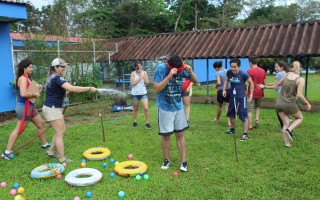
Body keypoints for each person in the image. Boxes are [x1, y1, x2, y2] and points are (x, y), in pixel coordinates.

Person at [42, 58, 97, 163]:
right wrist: (89, 88)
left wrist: (68, 93)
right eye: (62, 66)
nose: (64, 68)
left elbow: (60, 91)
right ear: (55, 67)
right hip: (52, 108)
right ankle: (62, 158)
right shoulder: (57, 78)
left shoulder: (53, 78)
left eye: (64, 66)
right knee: (59, 133)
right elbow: (71, 87)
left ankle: (50, 152)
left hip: (53, 108)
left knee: (60, 131)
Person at [154, 55, 198, 172]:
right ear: (170, 65)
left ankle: (184, 162)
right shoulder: (161, 69)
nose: (179, 71)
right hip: (164, 107)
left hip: (178, 107)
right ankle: (166, 159)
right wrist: (169, 76)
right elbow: (156, 89)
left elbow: (195, 80)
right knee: (166, 135)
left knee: (180, 134)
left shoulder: (182, 68)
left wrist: (190, 71)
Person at [2, 59, 50, 160]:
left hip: (30, 107)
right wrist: (34, 94)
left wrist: (38, 87)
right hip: (24, 107)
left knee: (40, 124)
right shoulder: (23, 79)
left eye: (32, 67)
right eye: (30, 67)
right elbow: (23, 94)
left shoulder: (27, 78)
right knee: (19, 130)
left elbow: (30, 89)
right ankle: (7, 152)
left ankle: (44, 144)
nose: (32, 69)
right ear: (24, 68)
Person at [275, 61, 311, 147]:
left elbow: (279, 83)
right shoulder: (300, 79)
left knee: (286, 123)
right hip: (288, 104)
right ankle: (289, 130)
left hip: (279, 103)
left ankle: (287, 144)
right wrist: (307, 103)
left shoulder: (287, 74)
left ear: (292, 67)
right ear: (301, 69)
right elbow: (299, 95)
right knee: (300, 118)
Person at [223, 58, 253, 141]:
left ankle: (245, 134)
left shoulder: (243, 74)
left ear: (239, 66)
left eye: (235, 67)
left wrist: (251, 94)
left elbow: (251, 82)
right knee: (230, 114)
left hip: (241, 98)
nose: (233, 69)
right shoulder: (229, 72)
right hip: (233, 97)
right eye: (231, 67)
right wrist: (224, 89)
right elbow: (226, 80)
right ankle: (232, 129)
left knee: (243, 116)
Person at [258, 61, 289, 130]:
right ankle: (286, 125)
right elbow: (279, 84)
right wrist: (269, 84)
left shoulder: (279, 74)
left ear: (282, 67)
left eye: (277, 67)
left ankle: (284, 126)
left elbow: (275, 86)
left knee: (279, 111)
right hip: (287, 95)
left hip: (281, 96)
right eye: (275, 67)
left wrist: (264, 87)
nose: (275, 68)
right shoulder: (286, 73)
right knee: (283, 111)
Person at [130, 62, 151, 129]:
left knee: (146, 108)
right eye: (138, 67)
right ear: (135, 67)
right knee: (135, 109)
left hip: (143, 93)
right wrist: (139, 78)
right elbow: (132, 84)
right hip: (135, 94)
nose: (139, 68)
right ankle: (135, 121)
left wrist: (143, 78)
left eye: (140, 66)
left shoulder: (144, 72)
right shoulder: (133, 73)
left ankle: (147, 122)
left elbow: (147, 82)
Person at [246, 56, 266, 130]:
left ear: (250, 62)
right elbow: (264, 83)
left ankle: (250, 125)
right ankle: (257, 119)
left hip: (251, 93)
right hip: (260, 92)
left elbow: (246, 83)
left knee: (249, 110)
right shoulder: (263, 71)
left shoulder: (249, 71)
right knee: (257, 106)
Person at [212, 61, 231, 128]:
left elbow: (219, 83)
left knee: (219, 106)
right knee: (227, 106)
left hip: (221, 91)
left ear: (217, 67)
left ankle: (217, 119)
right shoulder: (228, 70)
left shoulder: (218, 73)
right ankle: (229, 122)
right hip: (229, 90)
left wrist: (216, 85)